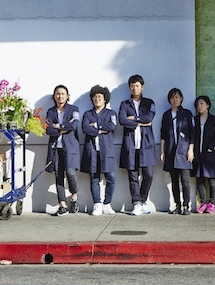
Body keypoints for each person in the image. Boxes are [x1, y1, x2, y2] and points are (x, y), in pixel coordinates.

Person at [119, 74, 158, 216]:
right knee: (133, 175)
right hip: (130, 144)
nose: (135, 88)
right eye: (132, 86)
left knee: (149, 174)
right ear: (130, 87)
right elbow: (122, 120)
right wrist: (142, 122)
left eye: (137, 85)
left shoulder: (149, 102)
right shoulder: (125, 104)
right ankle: (136, 203)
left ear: (142, 87)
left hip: (146, 144)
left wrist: (134, 118)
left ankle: (142, 200)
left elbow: (150, 117)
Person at [81, 85, 118, 216]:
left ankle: (107, 203)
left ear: (105, 99)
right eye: (95, 97)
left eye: (100, 97)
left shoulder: (111, 113)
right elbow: (85, 128)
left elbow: (112, 126)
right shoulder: (87, 114)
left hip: (106, 150)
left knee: (111, 177)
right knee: (94, 178)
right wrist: (101, 130)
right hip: (92, 150)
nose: (97, 99)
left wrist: (95, 126)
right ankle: (97, 204)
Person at [45, 85, 81, 216]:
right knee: (58, 175)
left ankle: (74, 196)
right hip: (55, 148)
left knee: (70, 173)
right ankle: (62, 205)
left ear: (67, 96)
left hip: (70, 147)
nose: (60, 96)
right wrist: (63, 128)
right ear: (54, 96)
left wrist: (58, 126)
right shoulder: (50, 111)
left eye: (63, 94)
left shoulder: (74, 109)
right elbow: (48, 129)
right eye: (58, 94)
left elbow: (74, 125)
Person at [160, 88, 195, 215]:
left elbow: (192, 133)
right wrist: (162, 151)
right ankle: (177, 205)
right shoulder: (166, 115)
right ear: (169, 100)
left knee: (185, 180)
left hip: (184, 150)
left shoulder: (187, 113)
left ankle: (186, 205)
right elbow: (163, 134)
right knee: (174, 180)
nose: (175, 99)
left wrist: (191, 150)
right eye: (172, 97)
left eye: (177, 97)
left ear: (181, 98)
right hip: (170, 151)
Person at [191, 96, 215, 213]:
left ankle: (211, 203)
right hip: (197, 154)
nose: (199, 106)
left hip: (210, 153)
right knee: (200, 179)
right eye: (198, 104)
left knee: (211, 179)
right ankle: (202, 202)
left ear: (208, 105)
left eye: (202, 104)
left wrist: (211, 147)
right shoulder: (194, 120)